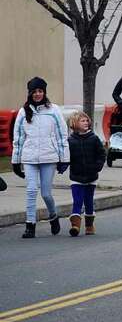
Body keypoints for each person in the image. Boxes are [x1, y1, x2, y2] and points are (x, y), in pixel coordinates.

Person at [12, 77, 68, 239]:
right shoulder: (23, 112)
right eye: (34, 91)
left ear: (44, 92)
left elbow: (61, 135)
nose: (37, 94)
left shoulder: (54, 110)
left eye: (40, 91)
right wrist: (16, 161)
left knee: (45, 193)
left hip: (48, 157)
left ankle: (53, 216)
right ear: (30, 93)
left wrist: (64, 158)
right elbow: (19, 138)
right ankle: (30, 225)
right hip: (29, 158)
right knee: (30, 190)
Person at [66, 110, 105, 236]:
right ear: (75, 124)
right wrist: (62, 165)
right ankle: (75, 226)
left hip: (91, 176)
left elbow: (101, 154)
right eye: (82, 121)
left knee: (88, 201)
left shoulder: (94, 138)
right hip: (76, 176)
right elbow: (66, 157)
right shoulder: (70, 141)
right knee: (77, 200)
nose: (86, 122)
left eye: (86, 120)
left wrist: (97, 166)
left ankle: (89, 225)